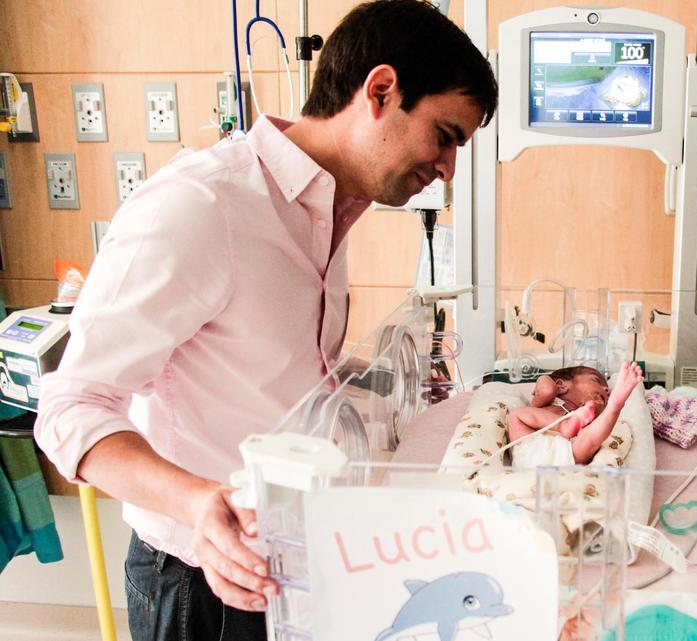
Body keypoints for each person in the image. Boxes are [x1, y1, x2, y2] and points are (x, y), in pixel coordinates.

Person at [33, 2, 497, 639]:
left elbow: (277, 369)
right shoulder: (205, 206)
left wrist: (395, 386)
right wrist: (198, 501)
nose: (448, 167)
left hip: (290, 561)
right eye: (445, 135)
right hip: (201, 576)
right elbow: (70, 407)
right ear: (381, 91)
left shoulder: (329, 213)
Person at [507, 362, 643, 465]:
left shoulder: (588, 417)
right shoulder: (546, 402)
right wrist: (545, 379)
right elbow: (546, 390)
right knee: (515, 416)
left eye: (608, 389)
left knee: (590, 438)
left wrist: (604, 407)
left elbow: (595, 435)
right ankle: (563, 426)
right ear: (561, 385)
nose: (606, 389)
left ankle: (615, 406)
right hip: (532, 451)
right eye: (596, 380)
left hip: (569, 455)